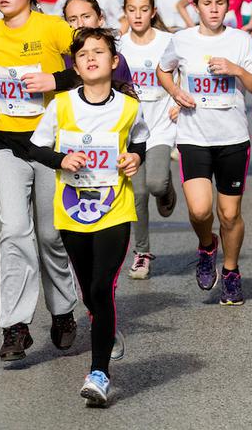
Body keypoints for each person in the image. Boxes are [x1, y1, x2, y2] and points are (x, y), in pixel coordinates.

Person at [0, 0, 79, 361]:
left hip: (51, 145)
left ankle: (63, 312)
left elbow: (90, 63)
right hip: (7, 142)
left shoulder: (54, 29)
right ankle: (15, 326)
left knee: (50, 235)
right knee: (14, 230)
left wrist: (55, 80)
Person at [29, 27, 148, 407]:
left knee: (102, 286)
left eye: (99, 52)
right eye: (83, 54)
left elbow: (139, 139)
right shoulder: (61, 105)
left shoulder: (129, 107)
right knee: (88, 290)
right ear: (75, 66)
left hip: (114, 209)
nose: (91, 58)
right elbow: (35, 148)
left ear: (114, 63)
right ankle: (105, 326)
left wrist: (135, 158)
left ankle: (99, 375)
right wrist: (61, 159)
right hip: (72, 210)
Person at [156, 0, 252, 305]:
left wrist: (235, 69)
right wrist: (176, 92)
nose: (214, 9)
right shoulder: (182, 40)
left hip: (233, 138)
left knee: (230, 214)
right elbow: (164, 71)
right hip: (193, 136)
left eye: (220, 3)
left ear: (228, 5)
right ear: (196, 6)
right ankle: (207, 245)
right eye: (207, 3)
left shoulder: (240, 41)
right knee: (200, 209)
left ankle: (231, 272)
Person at [119, 0, 178, 278]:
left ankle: (166, 190)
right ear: (125, 12)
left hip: (161, 126)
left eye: (144, 9)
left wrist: (180, 99)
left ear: (153, 11)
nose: (138, 15)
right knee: (137, 194)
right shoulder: (118, 46)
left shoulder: (170, 41)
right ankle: (141, 253)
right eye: (132, 9)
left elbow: (187, 71)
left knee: (154, 185)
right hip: (131, 131)